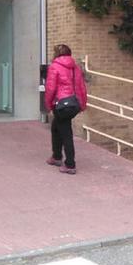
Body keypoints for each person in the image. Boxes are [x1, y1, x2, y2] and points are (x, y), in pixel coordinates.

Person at [44, 44, 88, 174]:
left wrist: (48, 105)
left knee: (66, 133)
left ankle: (70, 164)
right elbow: (81, 87)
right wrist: (82, 104)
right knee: (56, 127)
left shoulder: (54, 67)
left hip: (62, 105)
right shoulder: (75, 67)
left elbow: (50, 88)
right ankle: (56, 156)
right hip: (73, 104)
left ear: (57, 54)